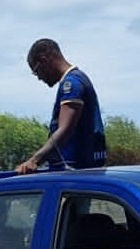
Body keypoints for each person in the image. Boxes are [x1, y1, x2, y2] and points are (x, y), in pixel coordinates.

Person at [17, 38, 107, 172]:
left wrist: (34, 161)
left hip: (73, 171)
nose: (39, 77)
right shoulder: (79, 78)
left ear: (44, 60)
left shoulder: (71, 84)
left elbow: (65, 130)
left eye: (36, 71)